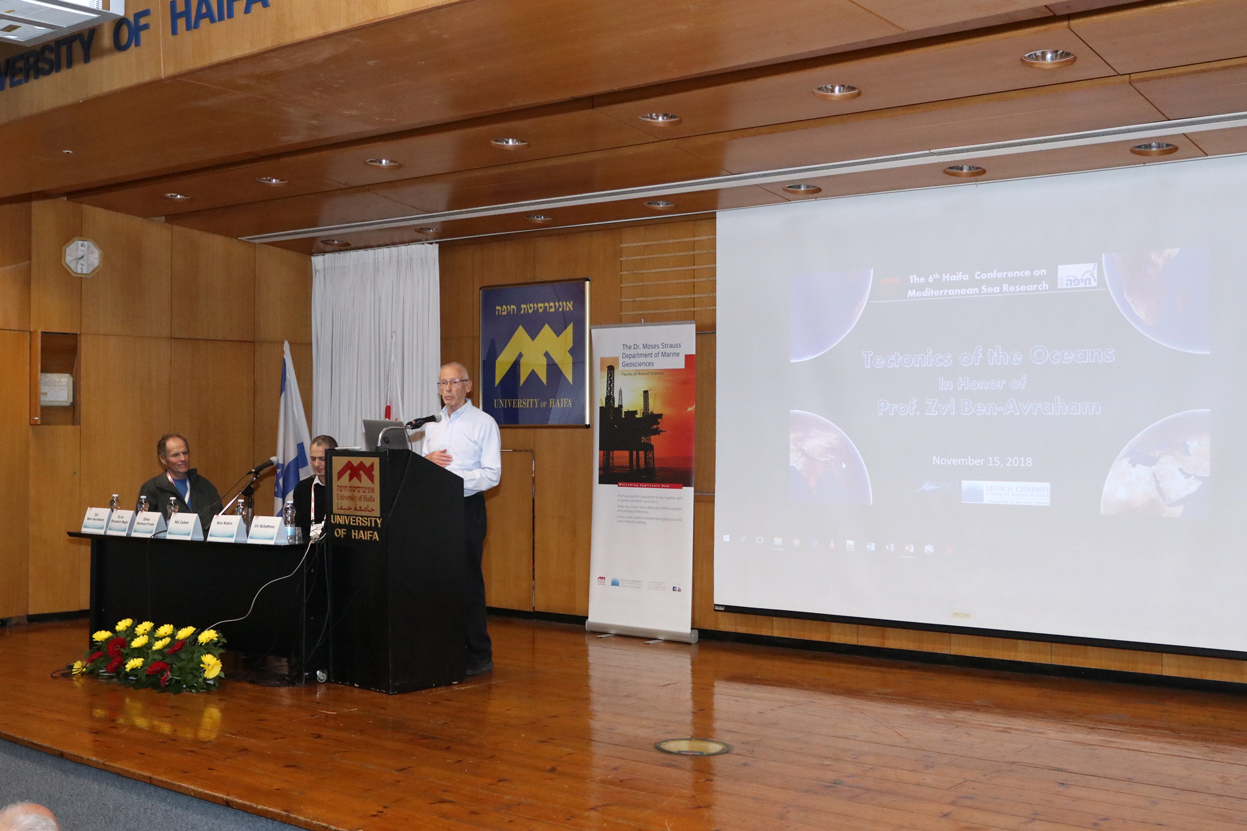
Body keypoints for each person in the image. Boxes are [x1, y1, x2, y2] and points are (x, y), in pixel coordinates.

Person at [420, 361, 501, 676]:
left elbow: (492, 474)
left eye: (454, 382)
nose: (448, 389)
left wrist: (453, 479)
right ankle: (445, 648)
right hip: (435, 510)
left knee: (467, 582)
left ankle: (478, 654)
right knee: (437, 581)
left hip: (466, 508)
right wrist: (425, 462)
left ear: (468, 386)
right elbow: (424, 469)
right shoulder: (432, 424)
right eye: (442, 383)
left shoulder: (484, 423)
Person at [137, 433, 222, 530]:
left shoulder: (205, 486)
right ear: (163, 459)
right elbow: (143, 528)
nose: (183, 459)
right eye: (175, 455)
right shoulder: (152, 489)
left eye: (185, 453)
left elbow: (219, 523)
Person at [291, 434, 338, 541]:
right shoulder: (302, 488)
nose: (316, 464)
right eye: (313, 459)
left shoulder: (343, 488)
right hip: (307, 546)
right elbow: (299, 527)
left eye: (322, 459)